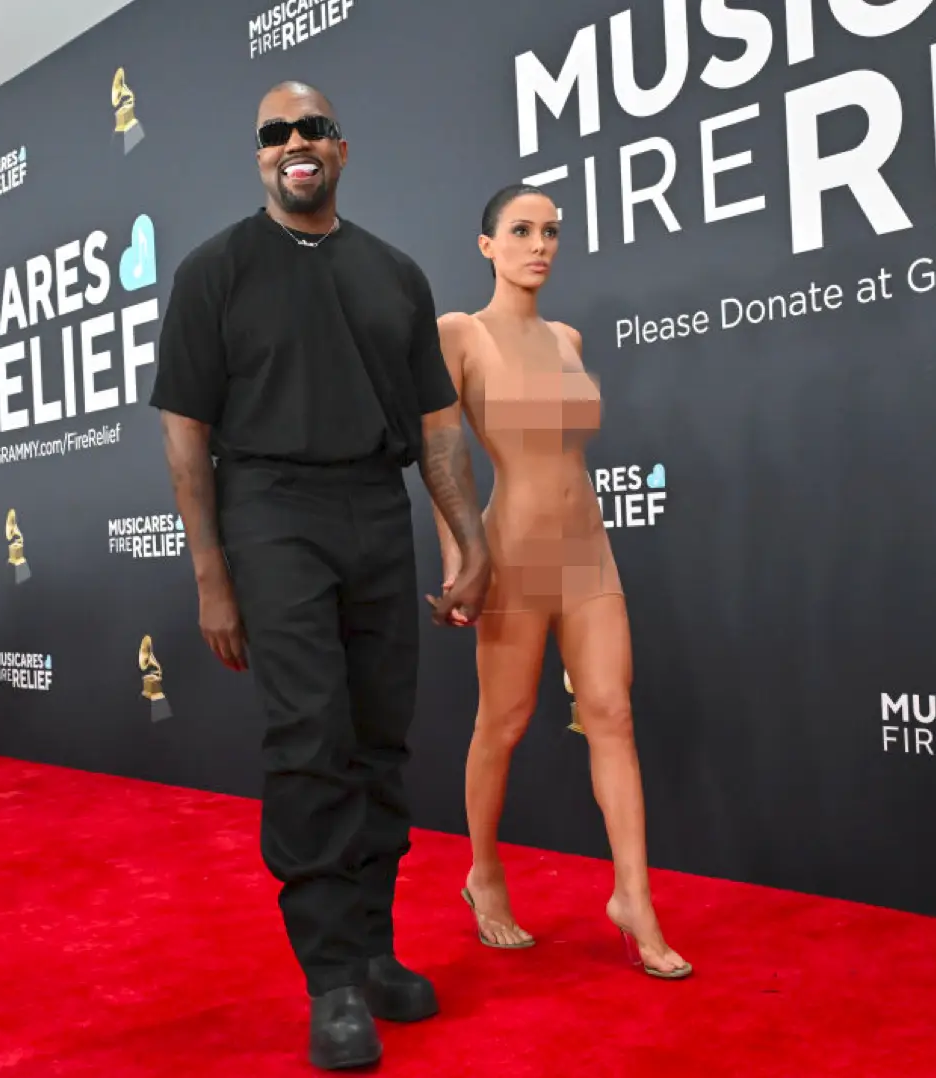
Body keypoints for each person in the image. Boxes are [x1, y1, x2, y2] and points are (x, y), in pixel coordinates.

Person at [150, 81, 491, 1070]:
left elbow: (436, 426)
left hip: (375, 511)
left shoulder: (395, 273)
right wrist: (212, 576)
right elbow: (185, 435)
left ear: (342, 146)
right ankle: (331, 977)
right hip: (267, 508)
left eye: (311, 129)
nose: (294, 144)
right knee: (311, 737)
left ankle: (376, 946)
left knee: (380, 737)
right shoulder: (214, 270)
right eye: (275, 133)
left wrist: (468, 539)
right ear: (260, 155)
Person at [434, 184, 691, 979]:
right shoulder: (459, 333)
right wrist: (459, 564)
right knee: (502, 725)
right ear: (487, 245)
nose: (538, 245)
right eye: (520, 230)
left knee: (612, 713)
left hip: (589, 551)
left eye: (550, 231)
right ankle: (482, 874)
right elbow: (442, 455)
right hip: (513, 554)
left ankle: (634, 900)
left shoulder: (570, 337)